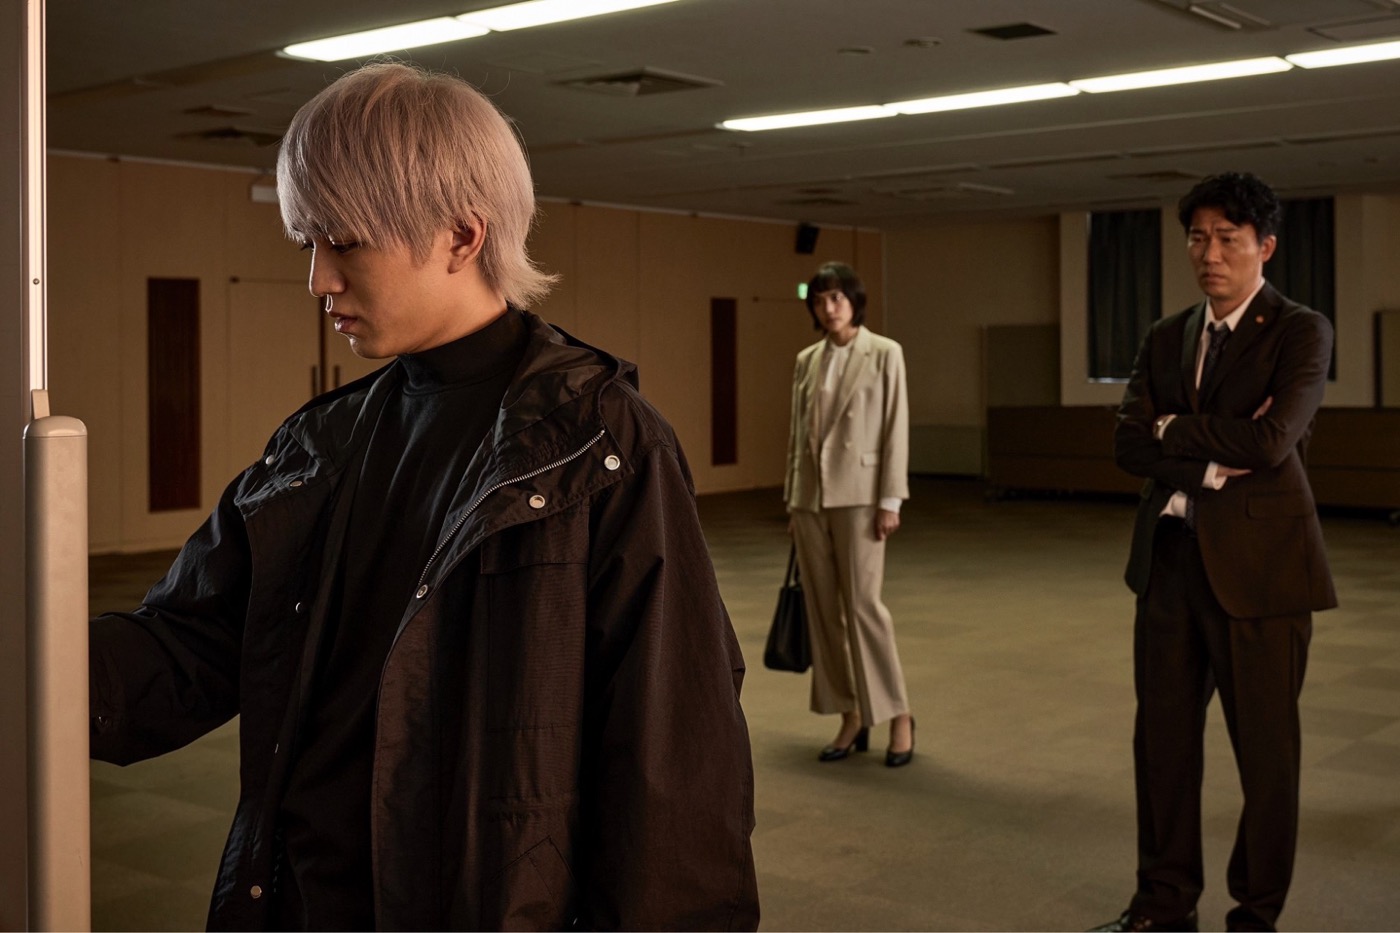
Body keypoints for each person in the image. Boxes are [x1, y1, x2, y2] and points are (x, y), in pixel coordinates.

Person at [88, 62, 759, 931]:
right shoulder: (321, 443)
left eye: (345, 243)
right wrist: (30, 662)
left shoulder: (603, 447)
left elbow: (674, 775)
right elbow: (187, 649)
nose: (318, 280)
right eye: (309, 245)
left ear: (461, 235)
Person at [1097, 172, 1336, 933]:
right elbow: (1127, 444)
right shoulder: (1166, 335)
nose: (1210, 254)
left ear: (1265, 246)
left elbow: (1270, 441)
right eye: (1198, 238)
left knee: (1266, 757)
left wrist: (1173, 426)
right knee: (1162, 748)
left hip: (1263, 573)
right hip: (1169, 563)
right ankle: (1163, 904)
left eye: (1228, 239)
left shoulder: (1300, 331)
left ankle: (1255, 914)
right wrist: (1198, 459)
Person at [783, 261, 915, 767]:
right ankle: (850, 713)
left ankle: (898, 713)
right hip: (810, 499)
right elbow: (796, 435)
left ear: (855, 301)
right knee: (823, 613)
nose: (829, 307)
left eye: (837, 297)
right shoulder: (807, 360)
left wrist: (890, 500)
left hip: (861, 496)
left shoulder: (884, 353)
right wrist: (793, 501)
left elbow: (895, 427)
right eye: (820, 300)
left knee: (864, 608)